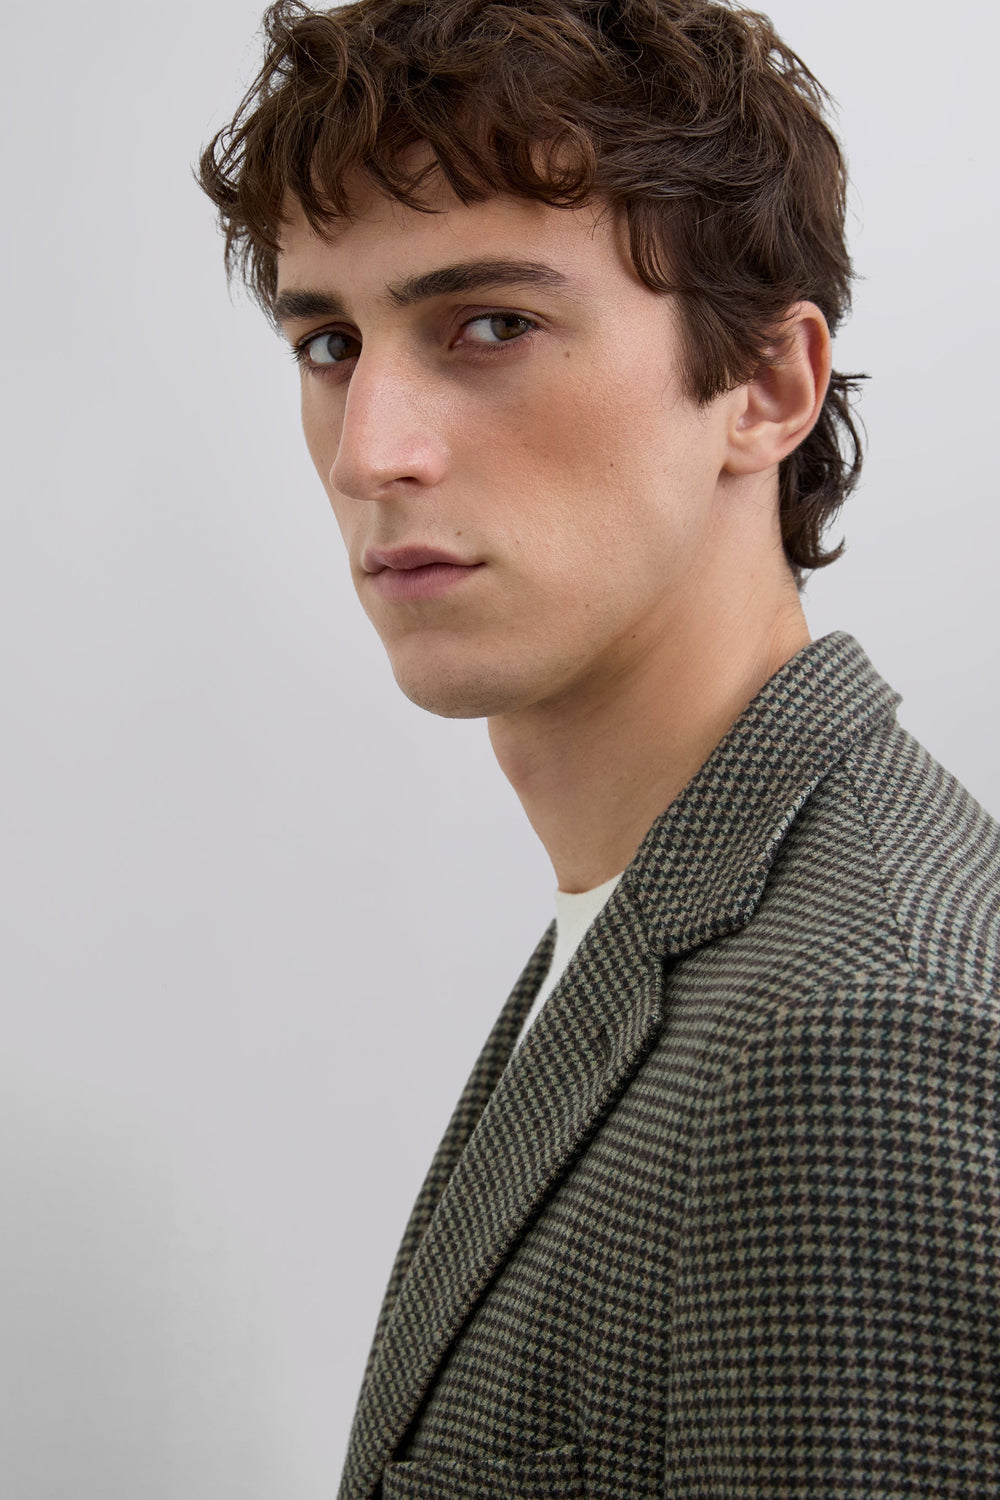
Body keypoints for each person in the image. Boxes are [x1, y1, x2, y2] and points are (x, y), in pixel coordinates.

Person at [198, 1, 1000, 1494]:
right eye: (329, 343)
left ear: (767, 386)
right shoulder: (684, 921)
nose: (370, 450)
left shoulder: (856, 1032)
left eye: (490, 325)